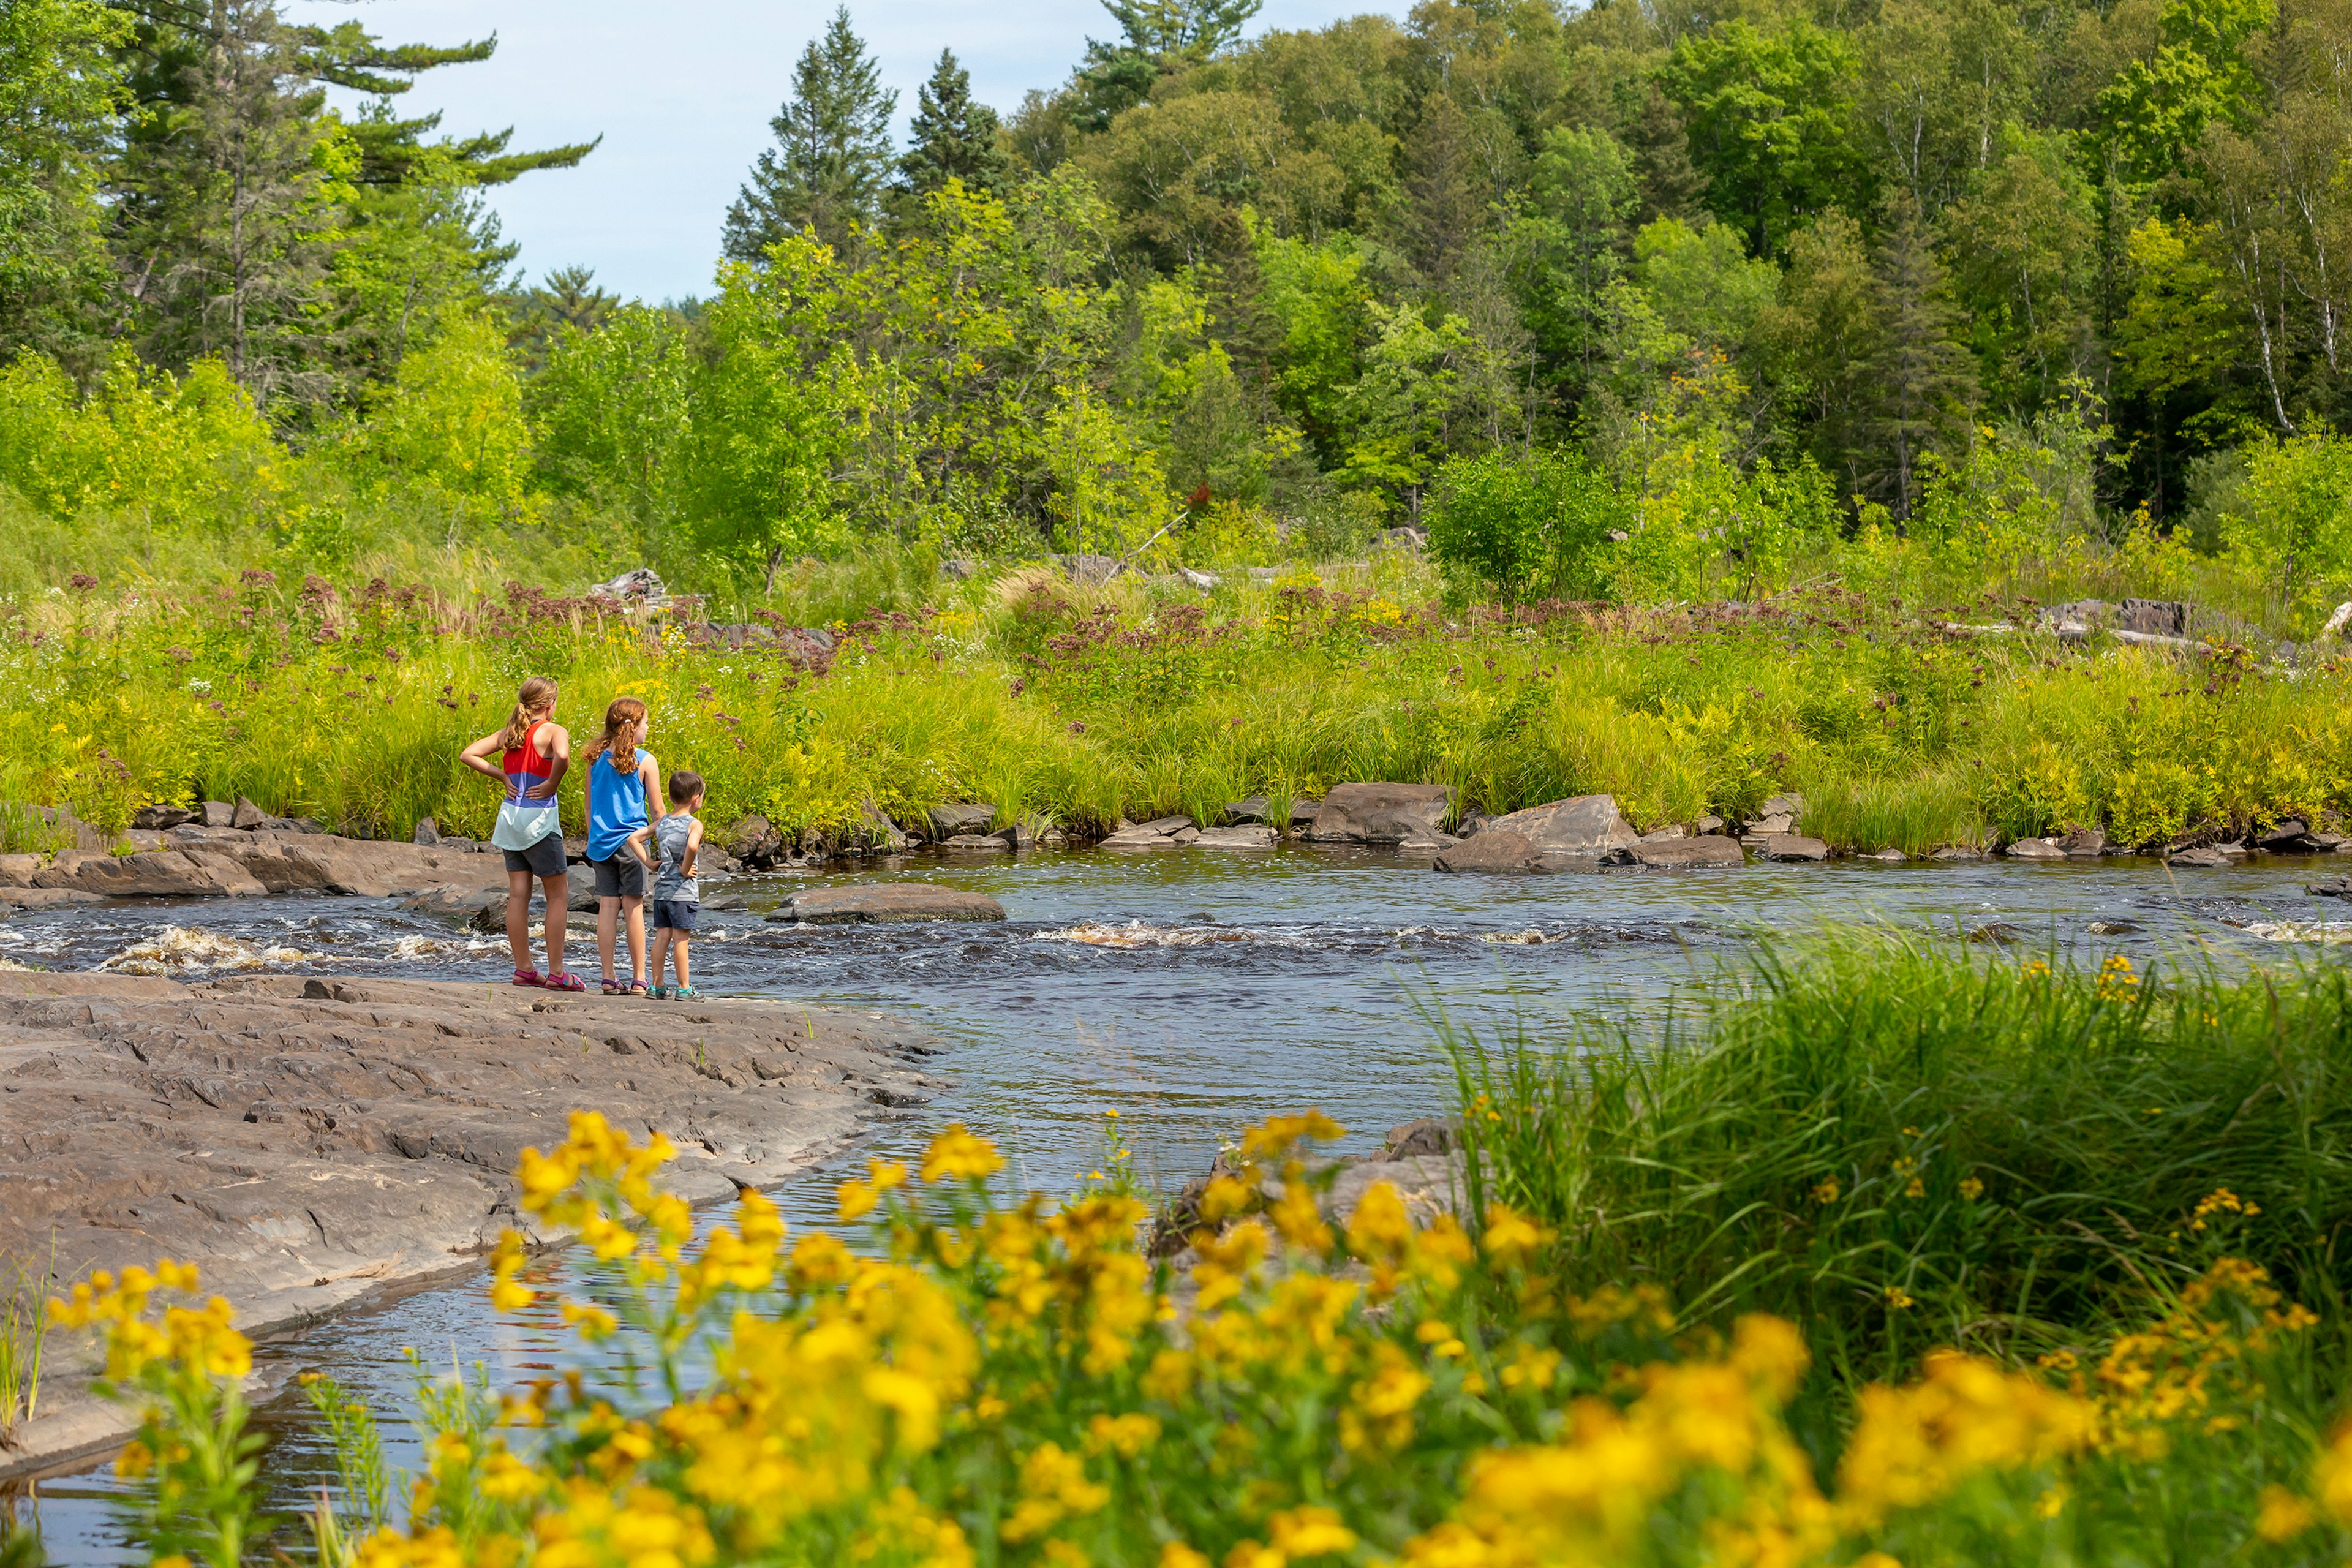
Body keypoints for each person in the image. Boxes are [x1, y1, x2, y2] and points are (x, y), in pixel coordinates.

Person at [459, 676, 582, 990]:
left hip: (510, 818)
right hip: (538, 820)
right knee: (557, 895)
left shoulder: (510, 733)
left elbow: (468, 754)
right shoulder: (554, 730)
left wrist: (502, 776)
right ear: (550, 704)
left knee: (518, 895)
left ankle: (524, 969)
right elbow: (564, 757)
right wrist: (553, 783)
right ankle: (557, 973)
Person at [582, 696, 662, 996]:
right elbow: (658, 812)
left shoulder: (594, 759)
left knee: (607, 908)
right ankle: (640, 978)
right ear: (636, 726)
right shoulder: (646, 760)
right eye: (646, 723)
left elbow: (588, 807)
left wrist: (595, 837)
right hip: (635, 845)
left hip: (600, 844)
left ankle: (607, 977)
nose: (648, 727)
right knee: (634, 909)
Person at [630, 769, 704, 1001]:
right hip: (683, 893)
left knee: (662, 935)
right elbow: (692, 847)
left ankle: (656, 986)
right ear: (696, 799)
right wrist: (685, 868)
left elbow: (633, 838)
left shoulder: (662, 823)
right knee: (681, 939)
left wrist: (650, 862)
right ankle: (684, 988)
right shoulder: (694, 824)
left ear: (670, 797)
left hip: (662, 892)